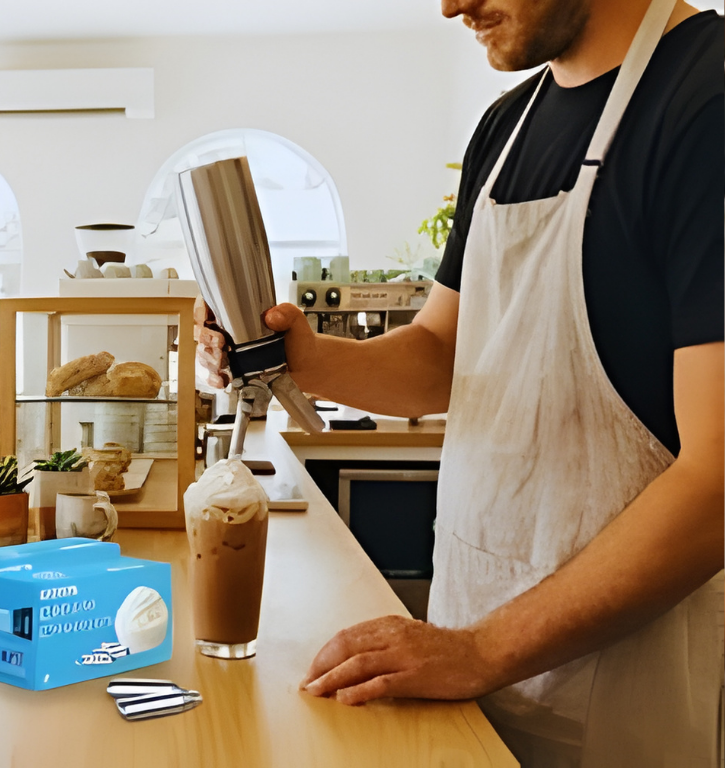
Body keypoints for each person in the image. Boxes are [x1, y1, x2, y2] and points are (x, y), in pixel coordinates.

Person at [197, 0, 723, 764]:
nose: (450, 6)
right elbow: (441, 356)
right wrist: (293, 355)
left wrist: (481, 651)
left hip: (629, 694)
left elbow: (716, 481)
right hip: (469, 659)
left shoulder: (704, 102)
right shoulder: (506, 129)